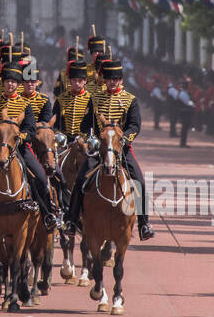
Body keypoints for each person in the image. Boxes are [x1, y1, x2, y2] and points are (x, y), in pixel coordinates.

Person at [64, 60, 155, 241]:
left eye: (116, 79)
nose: (112, 82)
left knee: (139, 182)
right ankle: (72, 220)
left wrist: (123, 140)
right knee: (81, 180)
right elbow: (86, 124)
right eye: (109, 78)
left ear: (121, 80)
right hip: (100, 149)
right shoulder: (95, 98)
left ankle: (144, 224)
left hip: (122, 149)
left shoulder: (130, 100)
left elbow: (135, 126)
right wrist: (91, 139)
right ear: (104, 80)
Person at [0, 63, 63, 230]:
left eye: (14, 82)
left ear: (18, 84)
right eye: (7, 81)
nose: (10, 85)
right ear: (3, 83)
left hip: (20, 149)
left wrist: (17, 139)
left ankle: (47, 215)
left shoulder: (24, 104)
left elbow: (30, 129)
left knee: (41, 178)